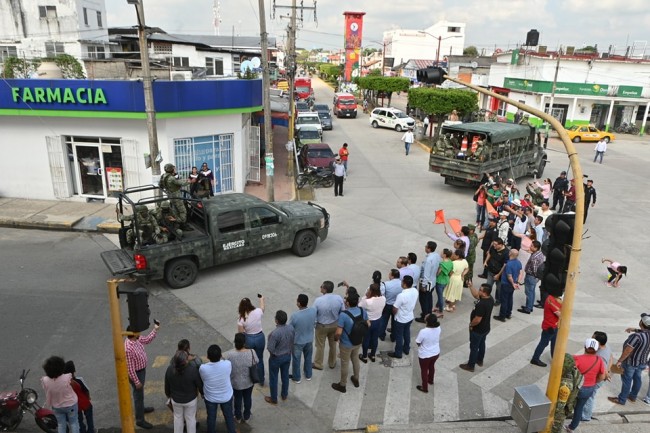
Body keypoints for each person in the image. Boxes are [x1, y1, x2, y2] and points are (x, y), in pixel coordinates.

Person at [565, 338, 607, 433]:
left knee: (566, 405)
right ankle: (571, 428)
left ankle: (558, 423)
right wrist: (593, 382)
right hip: (589, 388)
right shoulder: (599, 360)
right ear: (597, 350)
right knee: (579, 408)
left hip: (576, 388)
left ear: (585, 347)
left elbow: (570, 373)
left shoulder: (577, 359)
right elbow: (602, 376)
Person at [607, 313, 650, 405]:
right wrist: (634, 329)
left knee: (627, 380)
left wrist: (619, 361)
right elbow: (645, 331)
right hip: (642, 362)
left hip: (631, 363)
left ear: (641, 323)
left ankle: (621, 399)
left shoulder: (636, 337)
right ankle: (632, 397)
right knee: (637, 378)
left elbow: (628, 350)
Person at [125, 321, 159, 430]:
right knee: (138, 395)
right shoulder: (128, 348)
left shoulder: (137, 339)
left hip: (141, 371)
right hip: (137, 373)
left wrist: (155, 329)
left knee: (140, 394)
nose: (139, 332)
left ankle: (141, 408)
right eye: (137, 331)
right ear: (133, 333)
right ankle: (140, 420)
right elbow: (130, 369)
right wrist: (136, 381)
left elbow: (147, 340)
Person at [331, 292, 368, 393]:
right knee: (355, 358)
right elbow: (368, 323)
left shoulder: (344, 315)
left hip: (346, 344)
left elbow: (338, 332)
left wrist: (336, 338)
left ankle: (342, 384)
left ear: (347, 303)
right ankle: (356, 378)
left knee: (345, 363)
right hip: (358, 341)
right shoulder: (362, 310)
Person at [199, 345, 236, 433]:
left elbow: (203, 379)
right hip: (226, 396)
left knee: (211, 418)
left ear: (207, 357)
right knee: (229, 416)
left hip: (210, 398)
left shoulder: (203, 368)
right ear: (220, 355)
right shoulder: (227, 364)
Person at [459, 282, 495, 372]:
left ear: (484, 293)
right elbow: (476, 295)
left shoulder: (481, 305)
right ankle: (480, 360)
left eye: (480, 290)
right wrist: (471, 286)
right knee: (482, 344)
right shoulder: (490, 299)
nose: (479, 290)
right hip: (486, 328)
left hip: (478, 330)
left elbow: (477, 319)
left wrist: (471, 325)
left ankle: (471, 365)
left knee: (474, 347)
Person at [165, 351, 203, 433]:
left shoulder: (170, 369)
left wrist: (169, 396)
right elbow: (199, 384)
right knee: (191, 419)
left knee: (178, 418)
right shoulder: (192, 370)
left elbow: (167, 386)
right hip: (190, 400)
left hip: (175, 400)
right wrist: (203, 393)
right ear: (185, 361)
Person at [223, 333, 258, 423]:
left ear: (235, 342)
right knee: (247, 398)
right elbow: (256, 361)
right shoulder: (251, 352)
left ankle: (238, 416)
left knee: (237, 400)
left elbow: (224, 361)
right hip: (249, 382)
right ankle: (246, 416)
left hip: (235, 382)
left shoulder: (230, 354)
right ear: (244, 342)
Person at [41, 356, 79, 433]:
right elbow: (74, 385)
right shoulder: (67, 377)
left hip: (57, 407)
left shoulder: (45, 380)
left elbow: (46, 389)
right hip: (70, 404)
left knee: (61, 424)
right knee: (74, 423)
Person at [313, 281, 344, 370]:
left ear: (325, 289)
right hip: (334, 324)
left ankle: (318, 364)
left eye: (321, 286)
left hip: (322, 326)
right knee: (333, 344)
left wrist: (315, 324)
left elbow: (314, 314)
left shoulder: (318, 300)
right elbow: (343, 311)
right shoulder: (338, 298)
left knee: (320, 346)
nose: (320, 288)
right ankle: (332, 363)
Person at [582, 331, 612, 422]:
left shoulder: (599, 356)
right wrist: (607, 370)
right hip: (599, 377)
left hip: (596, 380)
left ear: (598, 343)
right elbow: (611, 358)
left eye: (592, 338)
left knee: (589, 397)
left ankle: (586, 416)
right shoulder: (606, 347)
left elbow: (602, 376)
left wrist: (594, 382)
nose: (590, 339)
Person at [265, 310, 294, 404]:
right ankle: (284, 395)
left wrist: (273, 355)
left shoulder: (274, 334)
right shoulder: (291, 328)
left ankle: (274, 398)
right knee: (285, 376)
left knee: (273, 378)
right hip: (287, 356)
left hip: (276, 358)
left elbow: (270, 348)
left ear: (276, 321)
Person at [388, 275, 419, 359]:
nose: (401, 283)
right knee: (407, 333)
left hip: (401, 319)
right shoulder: (415, 291)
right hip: (409, 317)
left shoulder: (401, 295)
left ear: (404, 284)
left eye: (402, 282)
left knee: (399, 336)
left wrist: (394, 314)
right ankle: (406, 349)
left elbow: (395, 308)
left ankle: (398, 353)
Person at [237, 296, 265, 386]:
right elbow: (262, 308)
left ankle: (251, 378)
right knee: (260, 359)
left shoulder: (241, 319)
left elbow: (241, 333)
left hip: (249, 339)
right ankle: (261, 380)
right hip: (260, 337)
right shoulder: (257, 311)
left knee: (250, 360)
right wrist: (261, 299)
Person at [289, 294, 317, 383]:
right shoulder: (313, 310)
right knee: (308, 357)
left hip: (298, 342)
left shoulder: (295, 315)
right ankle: (308, 375)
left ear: (299, 304)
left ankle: (297, 378)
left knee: (296, 360)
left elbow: (290, 328)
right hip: (309, 339)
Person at [530, 291, 562, 367]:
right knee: (544, 343)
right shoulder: (551, 300)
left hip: (554, 325)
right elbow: (560, 314)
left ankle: (554, 359)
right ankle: (535, 358)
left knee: (554, 342)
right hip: (549, 327)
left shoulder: (553, 299)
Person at [63, 361, 94, 433]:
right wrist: (88, 397)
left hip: (74, 406)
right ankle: (91, 431)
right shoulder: (79, 380)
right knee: (89, 419)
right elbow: (86, 390)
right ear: (74, 371)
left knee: (79, 422)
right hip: (85, 403)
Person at [359, 283, 386, 363]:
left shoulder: (368, 301)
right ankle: (373, 355)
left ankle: (364, 356)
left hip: (368, 322)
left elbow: (359, 306)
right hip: (378, 321)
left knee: (366, 339)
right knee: (375, 339)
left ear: (371, 291)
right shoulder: (383, 299)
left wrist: (365, 296)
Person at [493, 249, 523, 321]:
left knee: (504, 300)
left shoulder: (509, 264)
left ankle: (502, 316)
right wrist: (517, 283)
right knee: (510, 299)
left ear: (510, 254)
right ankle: (508, 314)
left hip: (506, 284)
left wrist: (513, 283)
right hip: (513, 284)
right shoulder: (518, 262)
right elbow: (521, 273)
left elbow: (509, 276)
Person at [415, 314, 441, 393]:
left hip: (425, 355)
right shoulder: (438, 328)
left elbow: (418, 342)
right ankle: (430, 380)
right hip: (436, 352)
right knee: (431, 366)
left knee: (424, 370)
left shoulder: (423, 332)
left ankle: (424, 387)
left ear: (427, 321)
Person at [518, 240, 545, 314]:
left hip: (531, 276)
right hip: (534, 277)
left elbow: (535, 269)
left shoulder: (534, 258)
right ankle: (529, 306)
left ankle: (528, 308)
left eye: (532, 246)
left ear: (536, 248)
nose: (530, 247)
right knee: (531, 292)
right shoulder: (539, 253)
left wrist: (536, 277)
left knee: (529, 292)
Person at [417, 241, 441, 322]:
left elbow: (426, 274)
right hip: (433, 281)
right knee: (429, 298)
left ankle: (425, 316)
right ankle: (429, 313)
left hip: (427, 283)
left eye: (426, 246)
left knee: (423, 300)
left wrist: (423, 285)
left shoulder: (428, 260)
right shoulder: (437, 256)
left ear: (429, 249)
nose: (425, 247)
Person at [483, 237, 509, 305]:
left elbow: (505, 265)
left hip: (499, 274)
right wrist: (486, 261)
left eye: (495, 244)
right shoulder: (493, 248)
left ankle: (498, 300)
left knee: (499, 288)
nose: (494, 245)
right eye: (493, 244)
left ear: (501, 245)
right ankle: (484, 298)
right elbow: (490, 253)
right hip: (491, 271)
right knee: (488, 286)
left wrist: (498, 275)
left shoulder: (506, 252)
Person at [379, 269, 402, 342]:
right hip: (397, 305)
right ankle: (393, 337)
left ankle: (382, 335)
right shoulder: (402, 284)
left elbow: (381, 294)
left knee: (384, 320)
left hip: (388, 304)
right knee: (395, 321)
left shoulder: (386, 284)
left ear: (392, 276)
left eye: (389, 274)